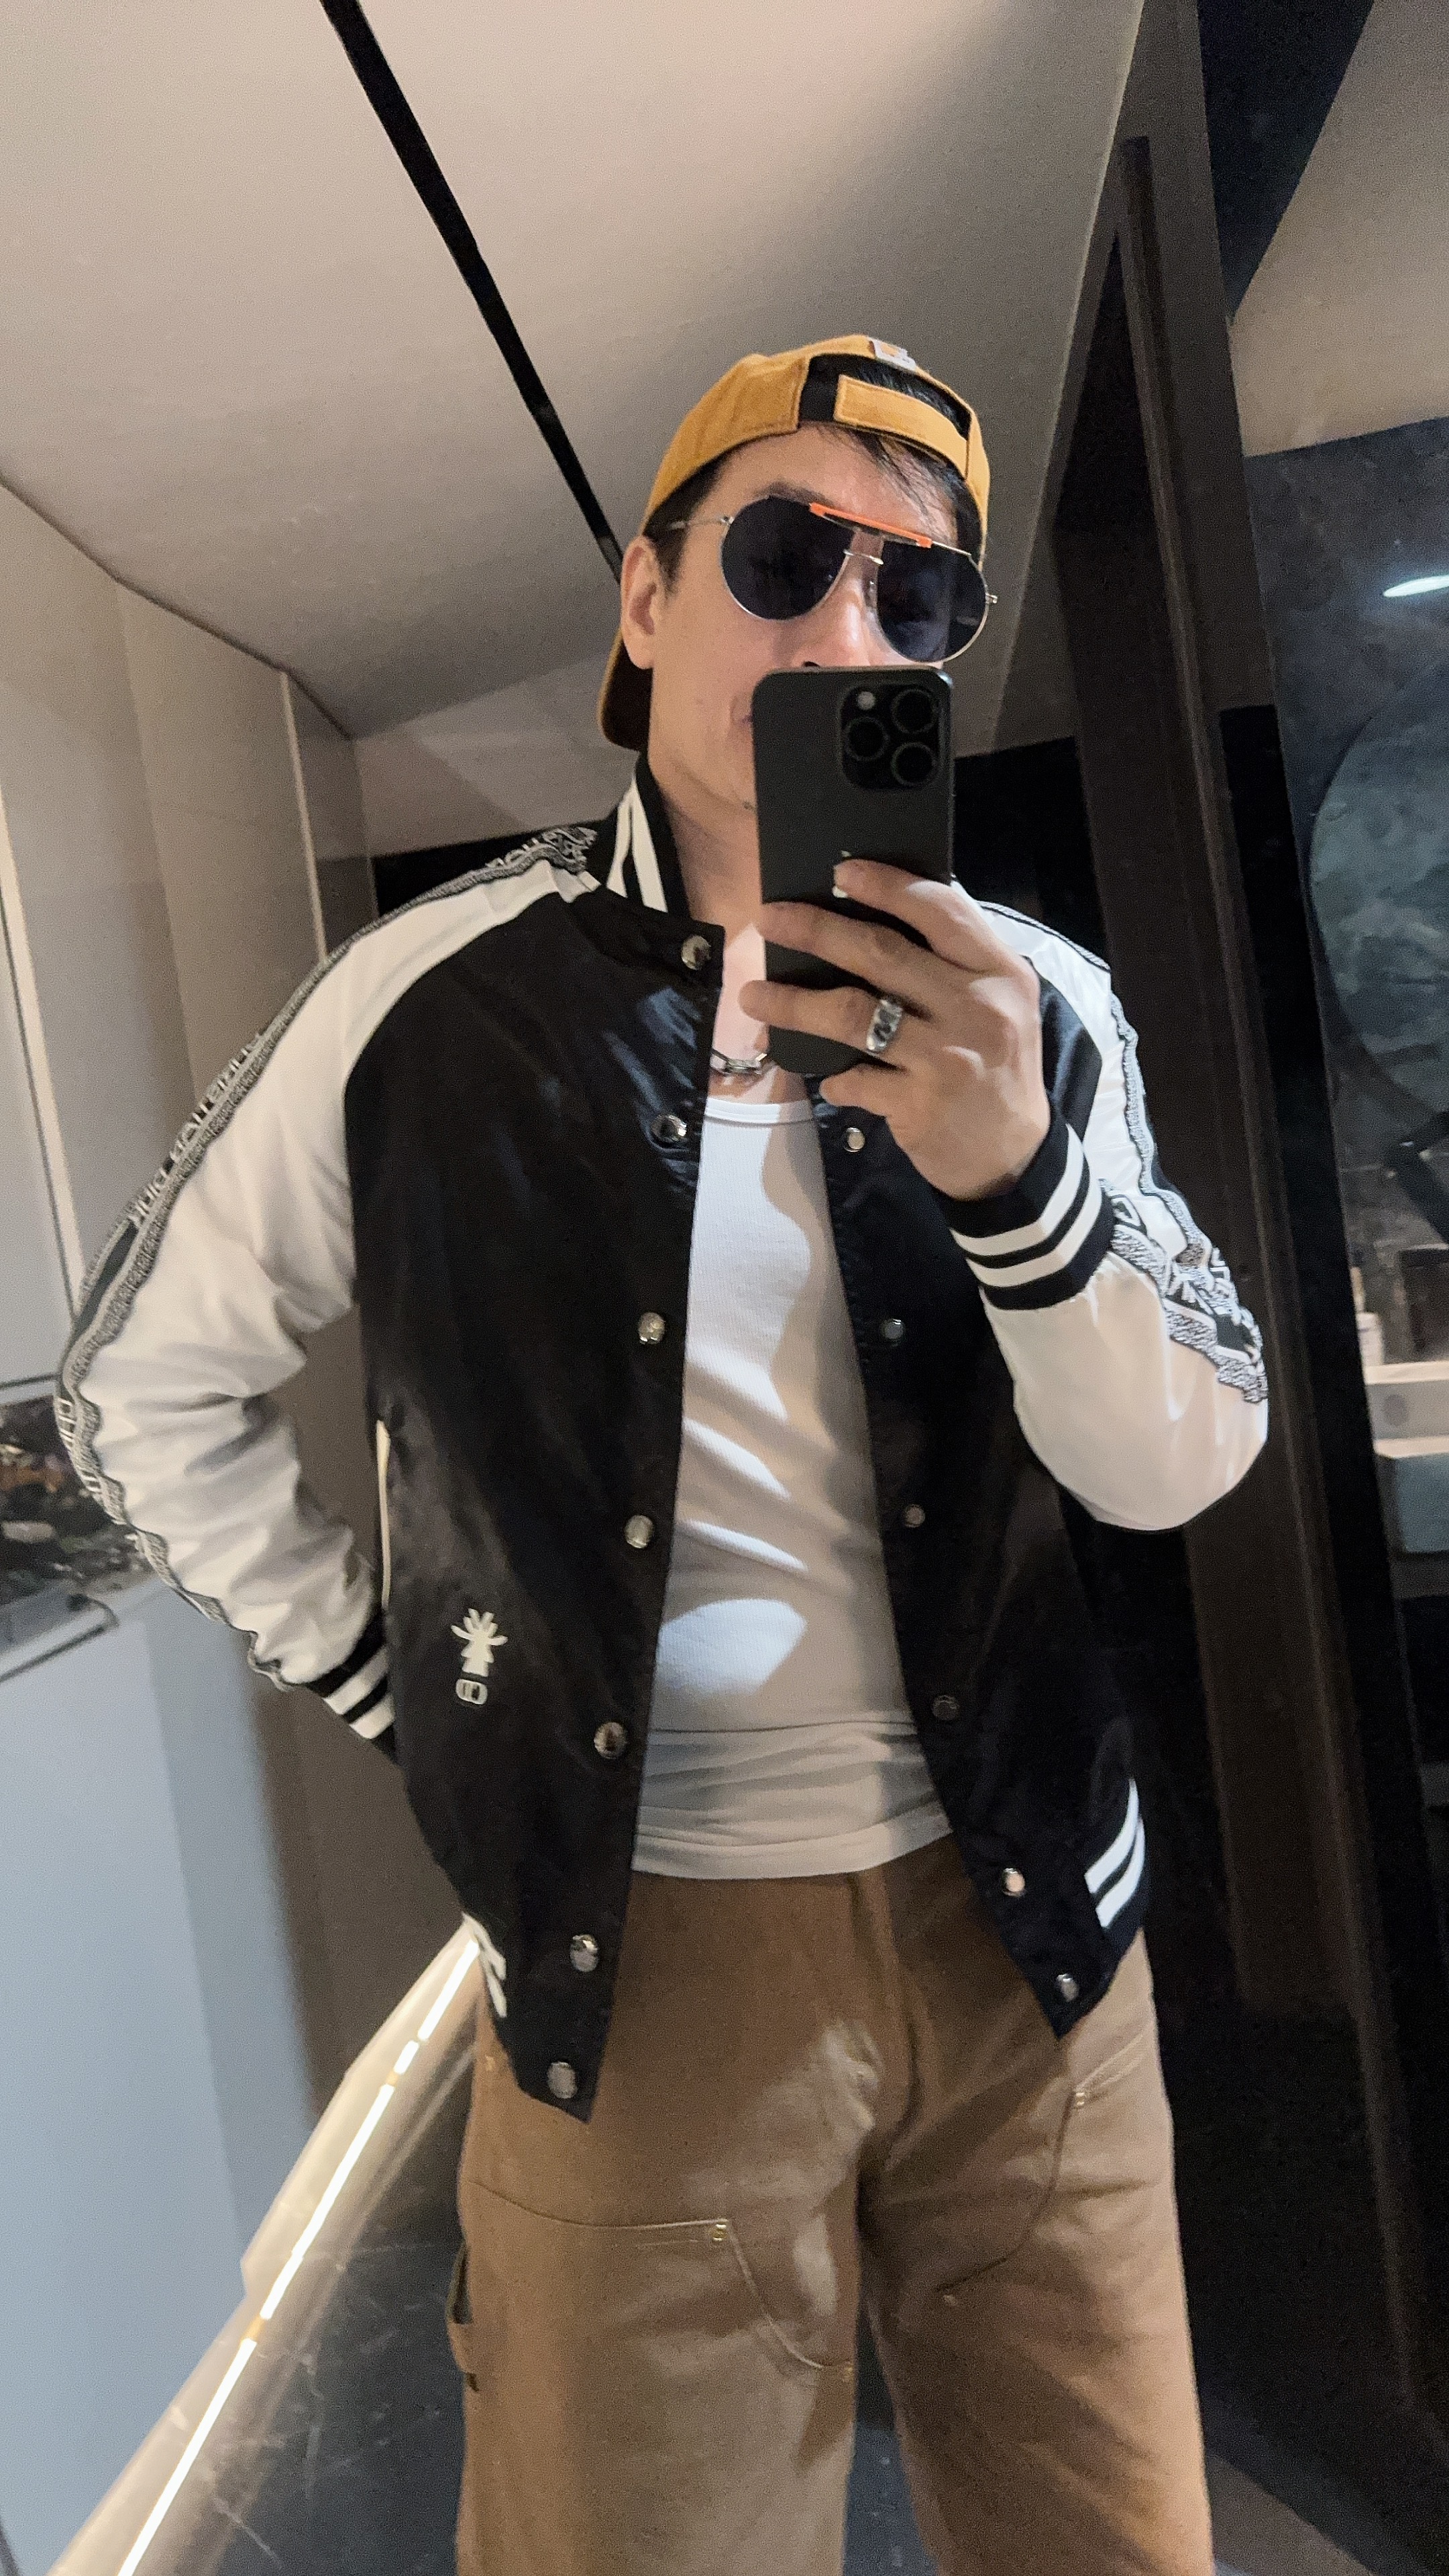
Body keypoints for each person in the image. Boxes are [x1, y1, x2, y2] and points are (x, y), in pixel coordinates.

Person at [56, 333, 1267, 2575]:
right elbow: (138, 1395)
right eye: (787, 554)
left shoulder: (1038, 1006)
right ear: (645, 596)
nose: (848, 627)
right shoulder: (425, 1003)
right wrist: (421, 1694)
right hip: (643, 1968)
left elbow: (1181, 1466)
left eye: (919, 594)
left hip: (1031, 1942)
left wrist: (1022, 1181)